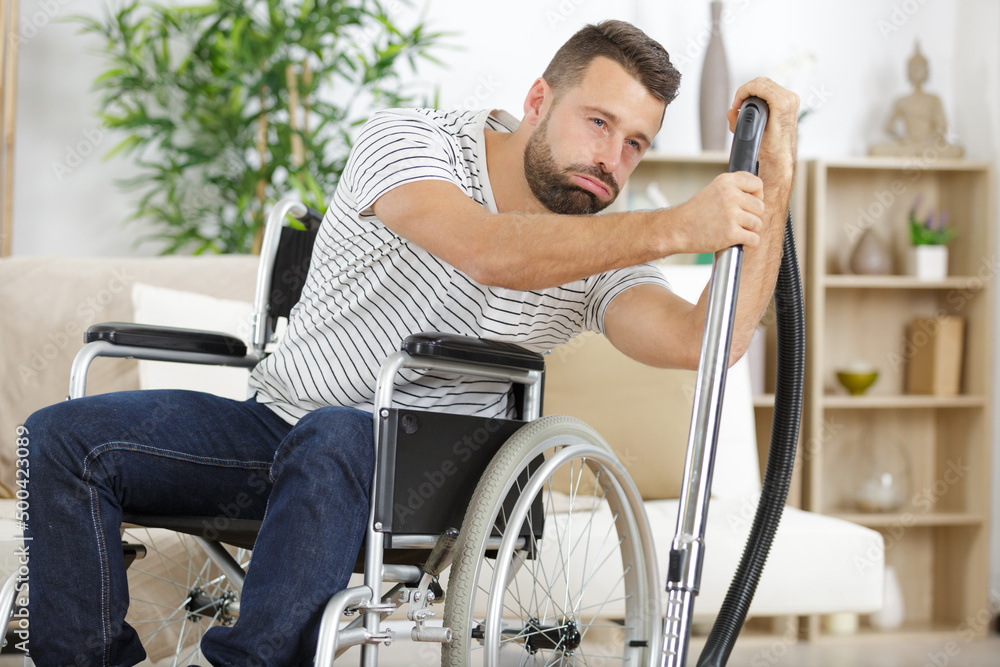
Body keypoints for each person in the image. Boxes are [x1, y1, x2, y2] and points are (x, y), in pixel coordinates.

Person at [23, 19, 798, 667]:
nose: (611, 159)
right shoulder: (412, 142)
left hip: (430, 476)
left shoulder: (605, 250)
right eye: (599, 123)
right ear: (538, 100)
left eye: (635, 144)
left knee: (336, 435)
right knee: (61, 438)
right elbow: (486, 249)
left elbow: (706, 340)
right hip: (279, 428)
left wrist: (779, 176)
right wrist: (675, 226)